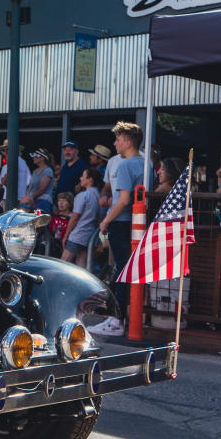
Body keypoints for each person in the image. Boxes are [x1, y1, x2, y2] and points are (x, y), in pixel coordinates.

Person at [94, 121, 145, 335]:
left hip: (121, 221)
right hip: (136, 222)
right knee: (127, 269)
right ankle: (118, 318)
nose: (115, 144)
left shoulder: (125, 165)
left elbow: (123, 199)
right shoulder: (146, 163)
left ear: (126, 141)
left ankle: (116, 320)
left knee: (122, 270)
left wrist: (106, 221)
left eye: (117, 140)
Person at [62, 168, 103, 269]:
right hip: (91, 236)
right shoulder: (100, 196)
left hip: (78, 234)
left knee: (63, 264)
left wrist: (66, 236)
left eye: (83, 176)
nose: (80, 178)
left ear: (90, 180)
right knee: (82, 266)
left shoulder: (83, 195)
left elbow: (75, 217)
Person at [0, 139, 30, 209]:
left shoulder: (15, 161)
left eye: (8, 150)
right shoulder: (22, 162)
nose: (5, 152)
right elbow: (0, 184)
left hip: (14, 199)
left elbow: (5, 181)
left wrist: (4, 181)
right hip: (12, 198)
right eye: (4, 150)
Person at [49, 192, 73, 257]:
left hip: (66, 245)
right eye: (59, 201)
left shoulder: (72, 218)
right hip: (54, 246)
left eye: (64, 201)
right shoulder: (55, 216)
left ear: (70, 203)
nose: (61, 203)